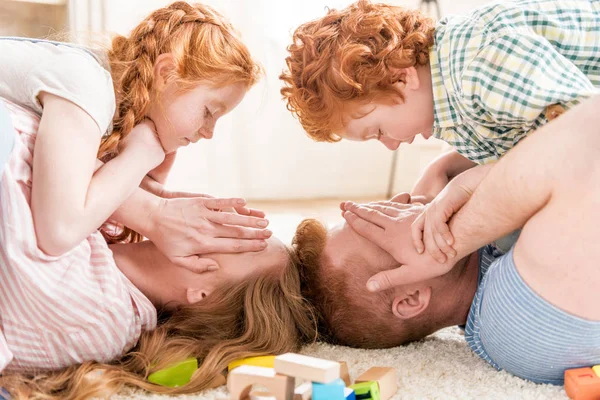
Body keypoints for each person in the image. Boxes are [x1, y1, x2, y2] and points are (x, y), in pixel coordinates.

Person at [0, 100, 318, 398]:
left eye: (238, 240)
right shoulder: (114, 243)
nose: (227, 217)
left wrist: (136, 163)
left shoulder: (101, 316)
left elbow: (19, 204)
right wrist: (150, 196)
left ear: (202, 293)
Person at [293, 96, 600, 385]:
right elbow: (583, 138)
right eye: (378, 227)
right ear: (412, 299)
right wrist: (467, 194)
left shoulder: (484, 261)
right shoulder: (514, 320)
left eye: (381, 208)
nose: (401, 197)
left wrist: (443, 172)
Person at [280, 0, 600, 252]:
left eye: (378, 131)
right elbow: (531, 135)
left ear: (402, 77)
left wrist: (471, 181)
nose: (391, 144)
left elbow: (585, 136)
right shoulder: (447, 96)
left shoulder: (480, 66)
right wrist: (449, 165)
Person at [0, 1, 271, 276]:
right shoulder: (86, 85)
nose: (208, 132)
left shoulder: (101, 99)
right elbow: (58, 231)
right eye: (208, 112)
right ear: (165, 73)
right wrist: (140, 156)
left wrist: (148, 186)